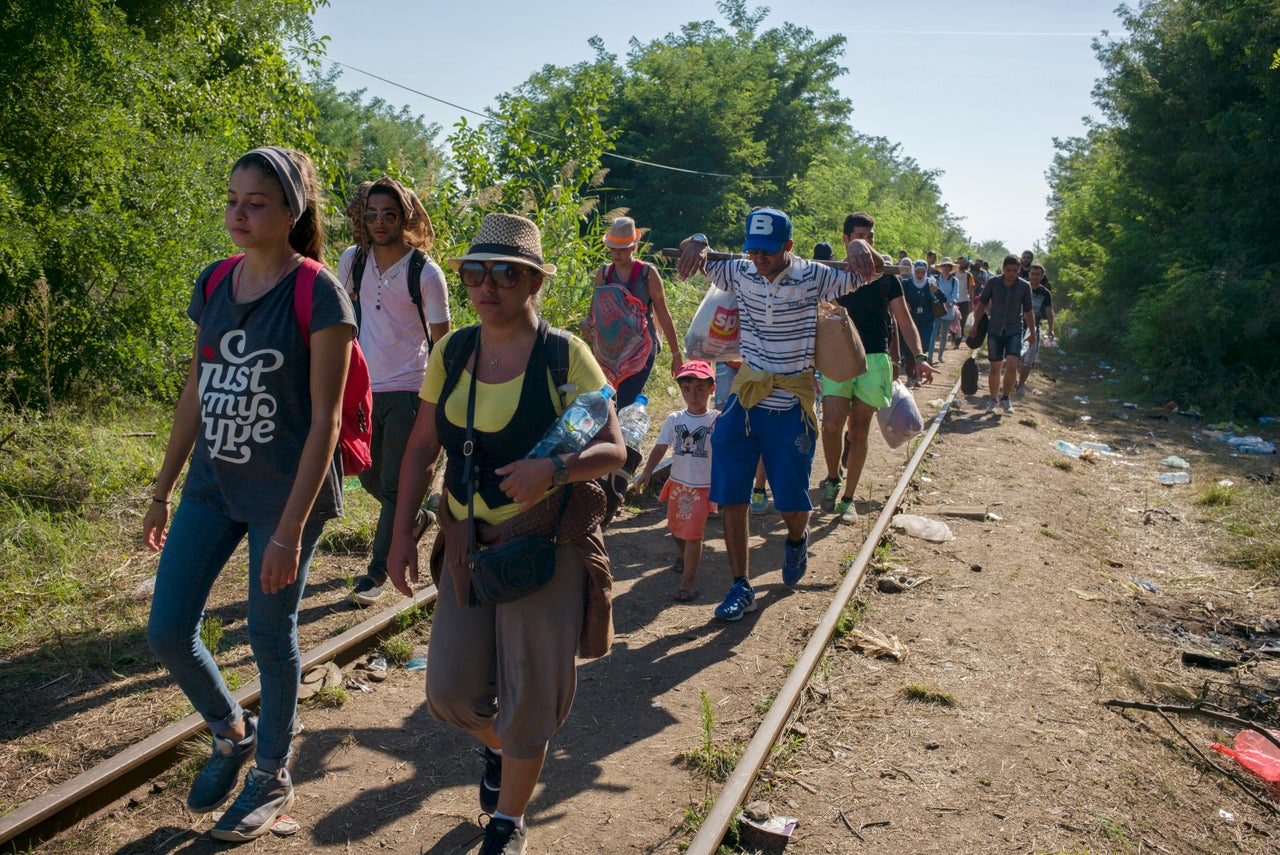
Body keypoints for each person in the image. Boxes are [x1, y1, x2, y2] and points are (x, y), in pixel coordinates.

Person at [386, 213, 626, 855]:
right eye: (474, 272)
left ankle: (508, 821)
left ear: (532, 282)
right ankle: (505, 750)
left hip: (544, 544)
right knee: (451, 693)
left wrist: (554, 468)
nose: (486, 286)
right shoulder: (454, 351)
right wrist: (402, 532)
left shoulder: (563, 354)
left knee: (532, 690)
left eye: (505, 273)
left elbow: (613, 451)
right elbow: (419, 449)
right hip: (467, 540)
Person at [143, 147, 355, 841]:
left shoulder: (319, 291)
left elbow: (325, 418)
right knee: (168, 629)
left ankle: (271, 773)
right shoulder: (213, 282)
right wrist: (162, 488)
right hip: (213, 484)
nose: (239, 213)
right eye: (232, 199)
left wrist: (292, 529)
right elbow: (195, 391)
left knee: (270, 632)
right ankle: (231, 731)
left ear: (291, 212)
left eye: (256, 202)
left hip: (284, 496)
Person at [677, 207, 877, 622]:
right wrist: (696, 239)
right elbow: (704, 255)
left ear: (788, 247)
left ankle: (796, 538)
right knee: (733, 493)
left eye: (768, 251)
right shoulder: (739, 271)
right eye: (753, 250)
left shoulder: (814, 275)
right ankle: (741, 585)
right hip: (747, 397)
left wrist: (859, 245)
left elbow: (863, 274)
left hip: (790, 403)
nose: (759, 259)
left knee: (791, 500)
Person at [339, 177, 451, 607]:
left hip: (411, 388)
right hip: (364, 389)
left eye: (388, 214)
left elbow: (443, 343)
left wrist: (442, 400)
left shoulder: (426, 272)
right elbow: (342, 323)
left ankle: (376, 572)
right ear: (362, 220)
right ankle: (418, 514)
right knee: (367, 472)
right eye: (372, 215)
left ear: (404, 217)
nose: (379, 222)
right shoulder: (352, 261)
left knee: (391, 486)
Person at [819, 213, 935, 524]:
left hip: (875, 360)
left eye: (870, 237)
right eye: (860, 236)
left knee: (858, 430)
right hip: (837, 358)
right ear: (846, 240)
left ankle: (847, 498)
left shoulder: (887, 277)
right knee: (831, 424)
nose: (866, 243)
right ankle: (832, 479)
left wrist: (920, 356)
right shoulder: (831, 274)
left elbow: (904, 319)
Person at [635, 360, 719, 602]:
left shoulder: (717, 420)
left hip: (702, 487)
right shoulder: (675, 419)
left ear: (711, 389)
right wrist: (647, 472)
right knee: (675, 528)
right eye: (687, 389)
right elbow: (660, 447)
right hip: (677, 484)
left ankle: (687, 582)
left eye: (700, 389)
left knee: (693, 534)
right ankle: (682, 556)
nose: (693, 395)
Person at [582, 216, 683, 408]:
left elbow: (663, 314)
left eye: (622, 249)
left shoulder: (648, 274)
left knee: (627, 400)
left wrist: (676, 354)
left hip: (642, 348)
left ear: (634, 247)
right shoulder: (604, 274)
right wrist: (586, 323)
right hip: (610, 351)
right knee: (609, 402)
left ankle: (624, 437)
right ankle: (617, 437)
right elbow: (593, 314)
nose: (616, 254)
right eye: (613, 249)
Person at [971, 254, 1036, 414]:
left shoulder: (1024, 287)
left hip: (1014, 329)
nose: (1011, 274)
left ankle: (1006, 398)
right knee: (995, 366)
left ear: (1019, 270)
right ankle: (993, 401)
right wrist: (975, 325)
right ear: (1004, 268)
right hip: (995, 329)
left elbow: (1028, 311)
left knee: (1012, 364)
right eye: (1008, 270)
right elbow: (982, 304)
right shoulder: (993, 283)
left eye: (1015, 270)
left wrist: (1032, 332)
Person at [901, 261, 945, 387]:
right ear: (914, 271)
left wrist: (935, 291)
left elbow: (943, 298)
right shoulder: (907, 284)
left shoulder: (930, 283)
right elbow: (899, 297)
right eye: (917, 272)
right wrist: (905, 303)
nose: (920, 275)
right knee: (910, 348)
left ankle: (918, 377)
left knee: (922, 348)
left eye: (922, 272)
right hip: (911, 319)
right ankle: (910, 376)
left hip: (926, 320)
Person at [1015, 263, 1055, 395]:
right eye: (1033, 274)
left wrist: (1051, 329)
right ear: (1029, 274)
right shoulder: (1021, 287)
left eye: (1038, 274)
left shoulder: (1045, 293)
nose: (1035, 277)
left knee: (1028, 359)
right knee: (1013, 356)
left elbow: (1049, 312)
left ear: (1042, 276)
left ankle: (1021, 385)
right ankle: (1012, 380)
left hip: (1033, 329)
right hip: (1016, 326)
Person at [954, 258, 974, 344]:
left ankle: (958, 341)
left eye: (963, 262)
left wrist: (971, 303)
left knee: (962, 321)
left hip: (965, 301)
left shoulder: (969, 275)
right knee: (953, 320)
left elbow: (970, 289)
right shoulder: (953, 274)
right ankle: (953, 335)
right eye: (960, 262)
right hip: (954, 301)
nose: (961, 264)